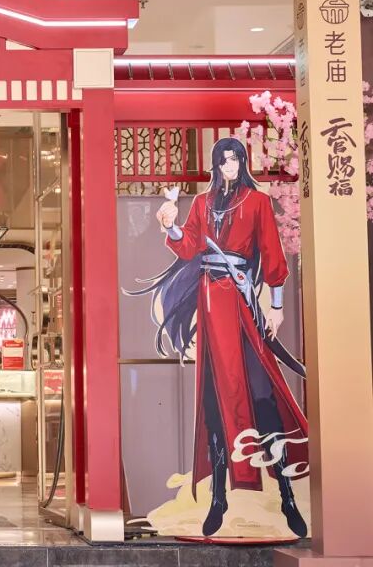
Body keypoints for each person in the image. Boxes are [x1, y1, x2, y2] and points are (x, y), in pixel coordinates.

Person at [130, 138, 308, 538]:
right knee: (213, 398)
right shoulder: (203, 202)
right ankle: (218, 498)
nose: (229, 166)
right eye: (223, 161)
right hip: (210, 300)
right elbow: (189, 246)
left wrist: (276, 306)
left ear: (242, 162)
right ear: (215, 165)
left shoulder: (257, 202)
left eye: (235, 160)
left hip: (241, 300)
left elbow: (272, 253)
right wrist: (170, 224)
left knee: (262, 392)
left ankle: (287, 495)